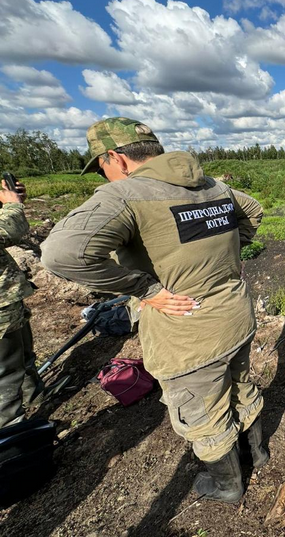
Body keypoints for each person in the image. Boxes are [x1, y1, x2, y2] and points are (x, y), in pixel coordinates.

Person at [40, 117, 268, 503]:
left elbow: (61, 254)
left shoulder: (126, 195)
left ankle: (228, 486)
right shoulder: (213, 185)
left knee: (201, 412)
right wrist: (228, 258)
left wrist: (144, 289)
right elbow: (253, 210)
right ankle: (257, 455)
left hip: (187, 333)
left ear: (116, 158)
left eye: (102, 166)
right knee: (240, 386)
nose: (104, 175)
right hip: (236, 314)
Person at [0, 178, 69, 428]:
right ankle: (14, 435)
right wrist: (13, 207)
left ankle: (35, 394)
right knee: (6, 373)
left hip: (7, 302)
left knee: (23, 353)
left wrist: (10, 201)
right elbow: (7, 231)